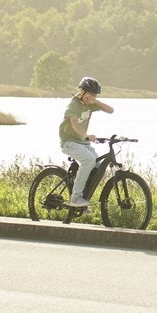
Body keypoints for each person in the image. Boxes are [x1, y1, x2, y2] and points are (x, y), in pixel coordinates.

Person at [59, 77, 115, 213]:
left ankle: (83, 199)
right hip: (69, 142)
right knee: (89, 160)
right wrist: (85, 135)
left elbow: (111, 110)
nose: (91, 97)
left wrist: (95, 101)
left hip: (83, 143)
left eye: (94, 95)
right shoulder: (73, 105)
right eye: (89, 94)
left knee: (100, 169)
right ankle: (76, 198)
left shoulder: (90, 103)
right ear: (81, 91)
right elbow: (74, 123)